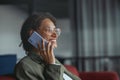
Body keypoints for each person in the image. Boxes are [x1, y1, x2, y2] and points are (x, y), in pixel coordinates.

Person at [14, 12, 81, 80]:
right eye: (49, 30)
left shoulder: (53, 60)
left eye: (56, 31)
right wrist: (52, 65)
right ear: (32, 34)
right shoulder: (25, 66)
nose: (55, 35)